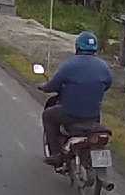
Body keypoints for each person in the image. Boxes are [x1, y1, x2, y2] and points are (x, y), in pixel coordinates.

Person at [38, 31, 112, 167]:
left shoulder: (69, 65)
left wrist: (44, 87)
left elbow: (53, 85)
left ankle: (56, 155)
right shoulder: (104, 66)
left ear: (77, 47)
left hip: (70, 113)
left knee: (48, 115)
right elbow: (107, 84)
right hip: (93, 115)